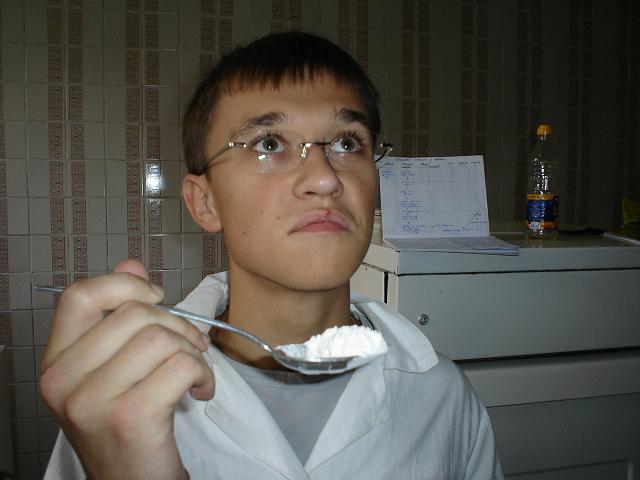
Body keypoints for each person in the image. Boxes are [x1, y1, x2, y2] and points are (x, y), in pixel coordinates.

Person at [41, 31, 503, 479]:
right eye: (269, 144)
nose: (325, 178)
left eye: (347, 143)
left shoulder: (443, 395)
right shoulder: (118, 406)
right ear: (205, 202)